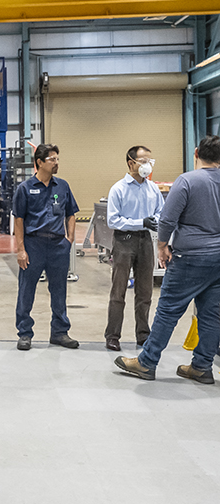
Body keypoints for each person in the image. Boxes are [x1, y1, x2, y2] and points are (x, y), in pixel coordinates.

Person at [115, 135, 220, 384]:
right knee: (212, 314)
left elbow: (168, 219)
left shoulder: (187, 181)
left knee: (168, 310)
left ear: (196, 153)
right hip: (218, 258)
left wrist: (162, 246)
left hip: (190, 257)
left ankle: (146, 362)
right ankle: (202, 366)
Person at [13, 143, 79, 351]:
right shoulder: (25, 189)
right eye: (52, 159)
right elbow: (19, 220)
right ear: (39, 162)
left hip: (58, 245)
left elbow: (71, 213)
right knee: (26, 290)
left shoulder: (63, 186)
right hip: (34, 245)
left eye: (57, 159)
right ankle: (25, 333)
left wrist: (69, 239)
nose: (56, 162)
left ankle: (59, 332)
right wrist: (21, 249)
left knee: (59, 290)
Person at [104, 145, 164, 351]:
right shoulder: (118, 189)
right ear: (131, 163)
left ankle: (143, 335)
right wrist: (141, 222)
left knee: (145, 291)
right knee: (118, 290)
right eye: (144, 161)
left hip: (146, 241)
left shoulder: (152, 188)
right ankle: (112, 335)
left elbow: (160, 211)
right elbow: (113, 220)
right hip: (124, 241)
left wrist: (152, 222)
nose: (148, 165)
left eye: (150, 161)